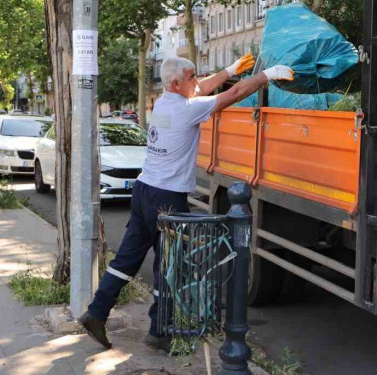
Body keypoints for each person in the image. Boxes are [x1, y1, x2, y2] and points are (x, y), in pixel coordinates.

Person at [78, 54, 294, 350]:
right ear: (177, 82)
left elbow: (200, 90)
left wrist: (229, 70)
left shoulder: (164, 103)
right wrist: (267, 75)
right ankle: (160, 331)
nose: (196, 80)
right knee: (171, 265)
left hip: (144, 190)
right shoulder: (185, 110)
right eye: (191, 76)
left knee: (127, 257)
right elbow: (235, 93)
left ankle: (96, 312)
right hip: (167, 196)